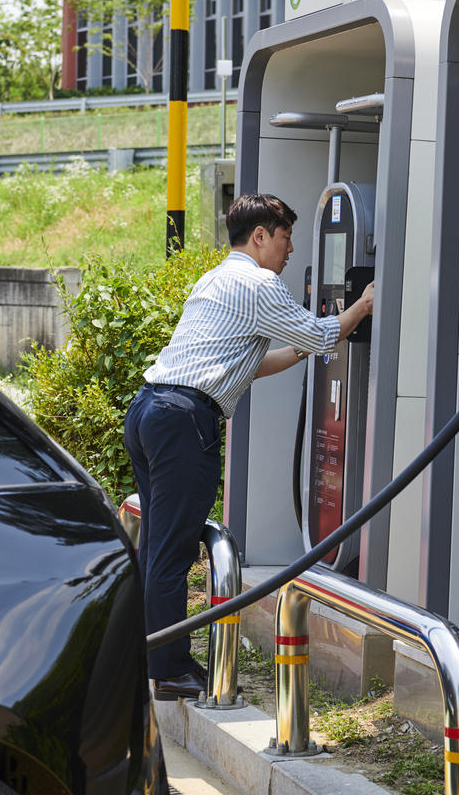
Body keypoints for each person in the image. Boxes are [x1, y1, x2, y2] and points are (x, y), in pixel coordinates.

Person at [124, 193, 376, 700]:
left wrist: (304, 345)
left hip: (149, 409)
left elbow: (250, 362)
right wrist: (365, 304)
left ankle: (156, 658)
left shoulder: (217, 278)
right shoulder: (259, 283)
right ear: (259, 236)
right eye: (284, 239)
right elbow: (324, 332)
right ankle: (170, 670)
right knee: (172, 553)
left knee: (156, 548)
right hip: (183, 419)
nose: (288, 253)